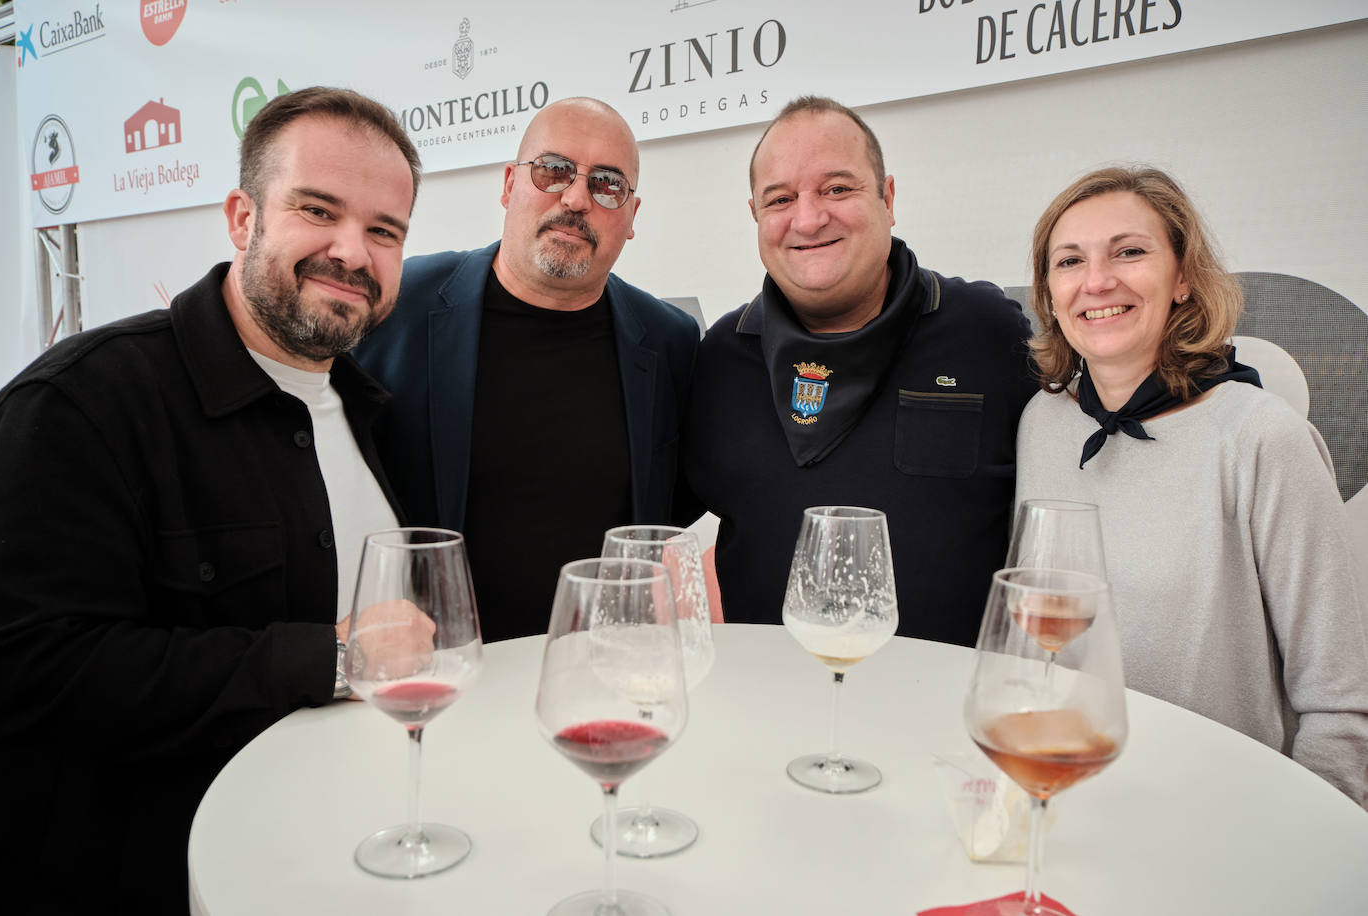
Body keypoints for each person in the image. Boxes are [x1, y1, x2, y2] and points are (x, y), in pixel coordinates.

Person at [0, 87, 426, 909]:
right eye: (317, 210)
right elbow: (29, 667)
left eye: (384, 231)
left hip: (336, 861)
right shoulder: (83, 404)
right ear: (241, 217)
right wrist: (332, 657)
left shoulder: (369, 410)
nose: (351, 251)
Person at [1014, 165, 1368, 806]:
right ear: (1050, 292)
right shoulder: (1041, 422)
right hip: (1064, 796)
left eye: (1129, 251)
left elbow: (1343, 706)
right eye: (1070, 261)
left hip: (1218, 812)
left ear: (1182, 279)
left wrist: (1304, 852)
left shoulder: (1262, 437)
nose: (1097, 281)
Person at [678, 97, 1037, 646]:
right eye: (781, 199)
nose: (808, 217)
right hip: (761, 707)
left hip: (946, 713)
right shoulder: (722, 354)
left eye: (836, 189)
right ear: (756, 214)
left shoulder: (987, 331)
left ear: (887, 198)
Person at [355, 97, 700, 643]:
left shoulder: (672, 343)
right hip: (436, 675)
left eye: (608, 184)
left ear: (632, 217)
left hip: (603, 673)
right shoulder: (394, 307)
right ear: (510, 184)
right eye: (554, 170)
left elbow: (674, 507)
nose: (577, 197)